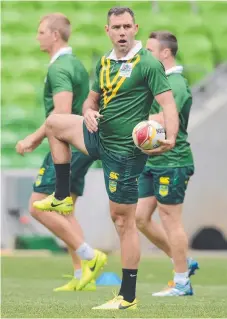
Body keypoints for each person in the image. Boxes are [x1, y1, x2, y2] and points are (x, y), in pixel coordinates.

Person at [33, 7, 179, 310]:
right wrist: (87, 111)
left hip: (124, 152)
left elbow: (168, 105)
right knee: (54, 124)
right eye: (116, 27)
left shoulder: (148, 63)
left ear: (136, 28)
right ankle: (61, 195)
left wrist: (171, 139)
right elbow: (91, 98)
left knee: (122, 220)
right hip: (98, 136)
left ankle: (127, 296)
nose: (122, 32)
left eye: (127, 26)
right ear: (107, 30)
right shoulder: (103, 62)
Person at [16, 13, 107, 292]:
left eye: (41, 31)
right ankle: (83, 275)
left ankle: (90, 257)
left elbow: (62, 113)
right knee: (66, 212)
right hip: (82, 144)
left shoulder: (60, 68)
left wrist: (33, 138)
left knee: (37, 206)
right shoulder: (74, 63)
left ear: (55, 35)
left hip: (68, 145)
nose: (37, 36)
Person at [136, 31, 199, 297]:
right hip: (154, 160)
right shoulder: (161, 81)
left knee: (170, 219)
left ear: (165, 53)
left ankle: (182, 281)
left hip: (172, 161)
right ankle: (181, 261)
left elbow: (163, 119)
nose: (145, 57)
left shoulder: (177, 84)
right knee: (140, 218)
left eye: (149, 51)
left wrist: (135, 122)